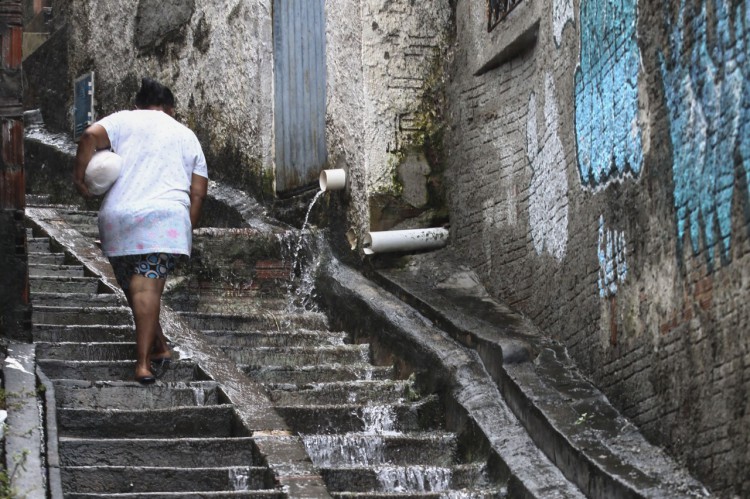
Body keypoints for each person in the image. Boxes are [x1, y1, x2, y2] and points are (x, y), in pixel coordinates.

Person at [73, 77, 208, 384]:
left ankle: (159, 346)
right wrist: (185, 227)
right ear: (171, 109)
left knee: (136, 290)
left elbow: (89, 136)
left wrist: (80, 179)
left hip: (118, 221)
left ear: (138, 104)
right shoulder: (186, 135)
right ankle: (143, 364)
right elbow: (198, 192)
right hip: (164, 221)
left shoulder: (123, 120)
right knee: (145, 288)